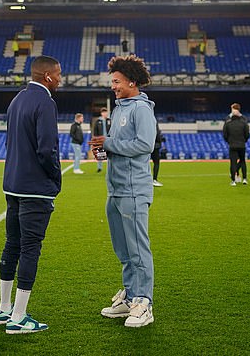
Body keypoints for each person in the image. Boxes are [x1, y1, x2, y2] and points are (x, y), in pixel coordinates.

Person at [0, 55, 62, 334]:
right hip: (34, 187)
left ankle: (4, 309)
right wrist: (55, 177)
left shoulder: (16, 99)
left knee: (13, 244)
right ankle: (19, 317)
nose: (61, 78)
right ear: (46, 76)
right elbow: (47, 149)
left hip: (12, 184)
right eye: (58, 74)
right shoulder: (45, 102)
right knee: (31, 248)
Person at [89, 54, 156, 328]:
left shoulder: (141, 109)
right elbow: (117, 144)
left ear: (131, 81)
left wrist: (111, 143)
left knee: (138, 250)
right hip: (115, 190)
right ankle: (129, 297)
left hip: (133, 191)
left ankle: (144, 302)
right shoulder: (118, 109)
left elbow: (145, 144)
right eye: (112, 82)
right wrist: (102, 150)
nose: (113, 86)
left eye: (117, 81)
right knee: (124, 251)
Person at [222, 103, 250, 186]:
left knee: (234, 162)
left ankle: (234, 176)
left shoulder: (230, 120)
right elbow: (247, 133)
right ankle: (242, 177)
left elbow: (225, 133)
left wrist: (229, 141)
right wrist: (244, 140)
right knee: (242, 161)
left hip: (234, 143)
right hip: (241, 143)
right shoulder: (242, 120)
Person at [92, 108, 111, 173]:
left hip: (108, 139)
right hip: (100, 140)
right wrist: (96, 139)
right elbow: (95, 131)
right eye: (104, 112)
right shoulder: (98, 121)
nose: (105, 114)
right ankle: (99, 168)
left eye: (106, 112)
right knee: (100, 154)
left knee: (110, 154)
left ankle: (110, 168)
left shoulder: (109, 120)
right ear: (101, 113)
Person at [151, 122, 164, 187]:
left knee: (143, 162)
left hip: (146, 144)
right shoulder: (154, 122)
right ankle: (154, 180)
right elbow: (157, 134)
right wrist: (160, 139)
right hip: (155, 146)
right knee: (156, 163)